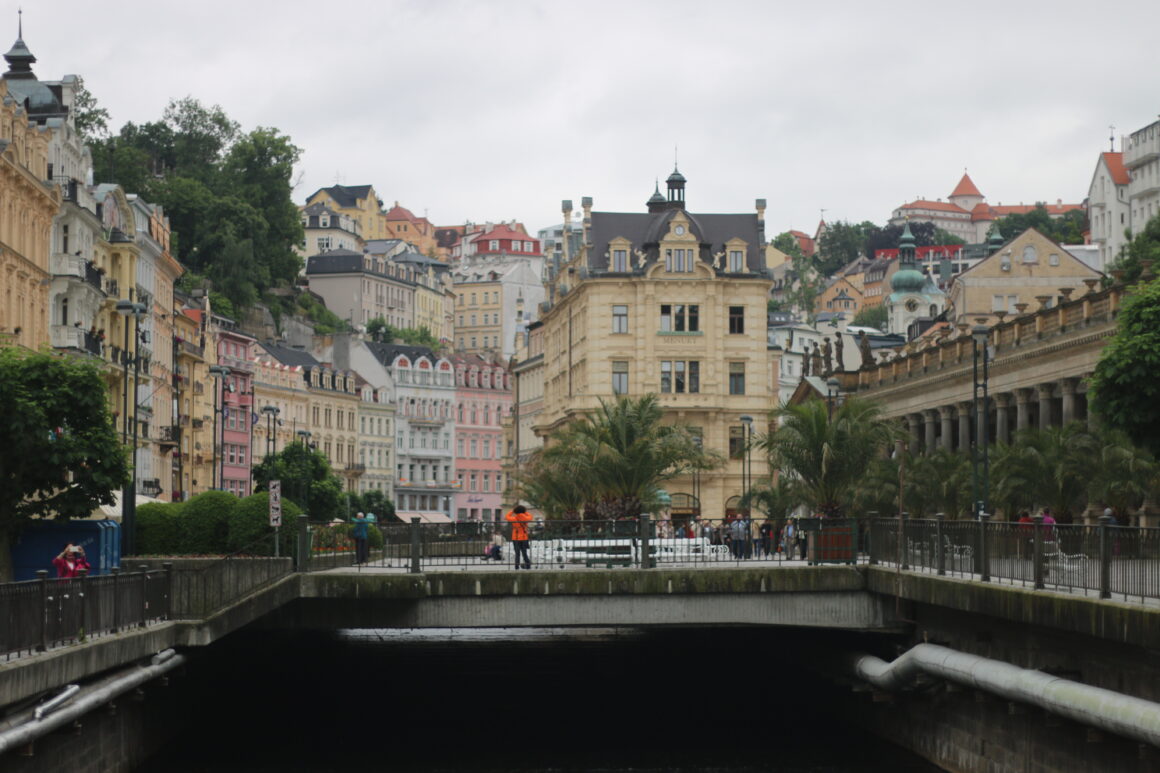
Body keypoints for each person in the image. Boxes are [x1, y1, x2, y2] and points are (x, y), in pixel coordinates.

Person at [505, 505, 533, 569]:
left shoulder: (514, 519)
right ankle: (528, 566)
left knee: (517, 553)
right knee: (524, 553)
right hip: (524, 538)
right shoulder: (526, 518)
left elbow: (507, 517)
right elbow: (531, 516)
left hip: (516, 538)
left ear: (516, 511)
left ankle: (516, 566)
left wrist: (512, 511)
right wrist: (525, 512)